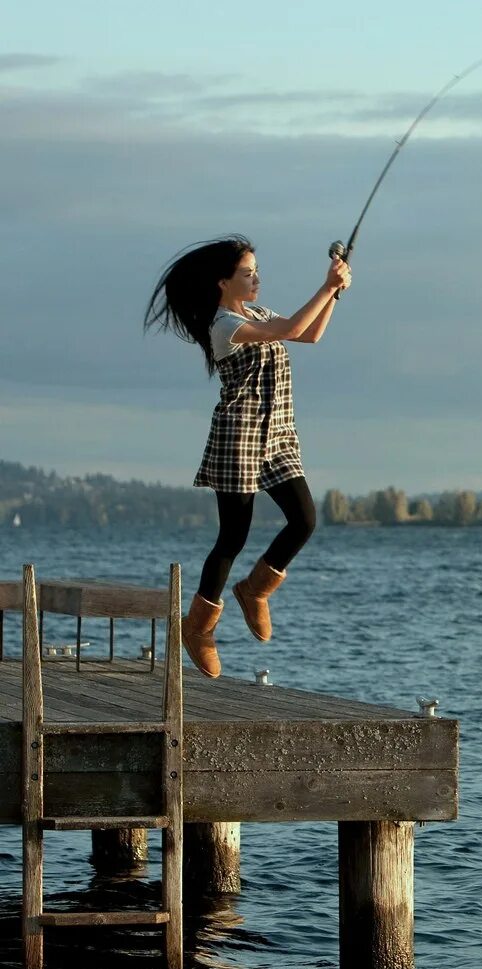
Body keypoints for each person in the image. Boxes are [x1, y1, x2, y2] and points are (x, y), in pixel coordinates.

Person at [145, 236, 351, 678]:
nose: (257, 278)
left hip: (276, 435)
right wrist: (325, 284)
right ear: (223, 283)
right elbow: (293, 328)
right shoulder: (224, 326)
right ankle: (198, 628)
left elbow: (310, 334)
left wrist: (333, 291)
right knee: (232, 538)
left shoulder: (256, 313)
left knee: (305, 520)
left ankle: (255, 590)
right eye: (247, 272)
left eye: (256, 270)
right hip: (238, 438)